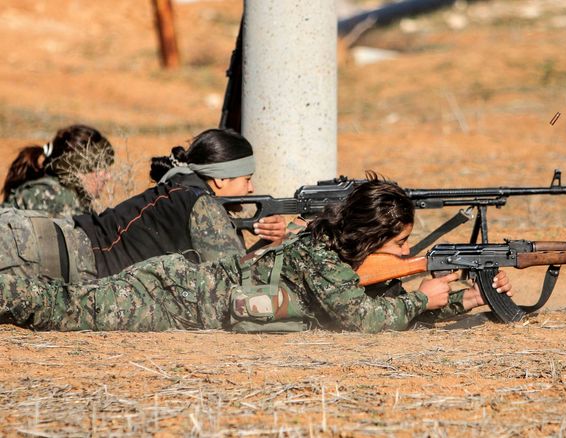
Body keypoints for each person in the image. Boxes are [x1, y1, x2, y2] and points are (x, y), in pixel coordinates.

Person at [0, 175, 513, 332]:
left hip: (184, 294)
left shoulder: (339, 259)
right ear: (371, 236)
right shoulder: (323, 259)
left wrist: (463, 299)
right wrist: (423, 300)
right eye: (399, 243)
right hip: (173, 295)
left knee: (66, 301)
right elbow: (362, 318)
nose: (406, 252)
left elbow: (381, 304)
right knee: (63, 308)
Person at [0, 128, 286, 283]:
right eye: (247, 179)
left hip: (37, 242)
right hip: (38, 253)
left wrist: (263, 243)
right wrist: (278, 243)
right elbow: (233, 283)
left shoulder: (182, 190)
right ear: (221, 180)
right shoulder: (201, 203)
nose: (250, 188)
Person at [2, 124, 115, 217]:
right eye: (102, 168)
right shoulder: (55, 199)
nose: (108, 176)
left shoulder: (72, 197)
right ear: (78, 169)